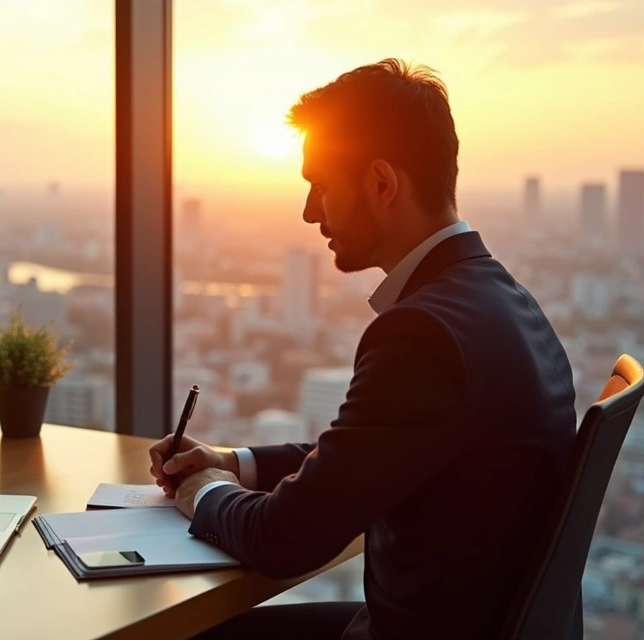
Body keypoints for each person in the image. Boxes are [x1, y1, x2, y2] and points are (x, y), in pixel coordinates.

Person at [149, 59, 577, 640]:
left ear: (381, 183)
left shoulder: (423, 335)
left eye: (320, 185)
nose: (309, 210)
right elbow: (368, 455)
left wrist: (202, 494)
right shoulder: (501, 301)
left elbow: (285, 539)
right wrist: (233, 464)